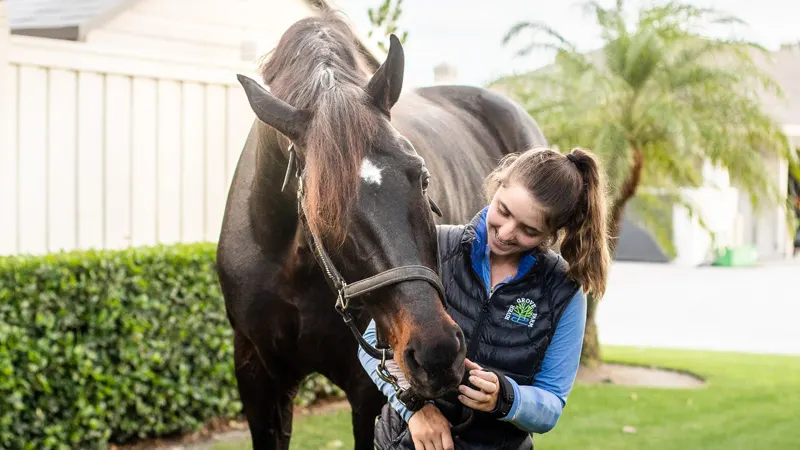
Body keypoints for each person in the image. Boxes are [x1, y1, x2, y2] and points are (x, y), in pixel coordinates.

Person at [358, 147, 611, 450]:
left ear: (552, 232)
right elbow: (374, 344)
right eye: (503, 211)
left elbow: (551, 404)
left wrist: (505, 398)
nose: (506, 233)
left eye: (529, 230)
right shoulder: (435, 247)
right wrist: (414, 409)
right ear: (497, 186)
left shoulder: (564, 291)